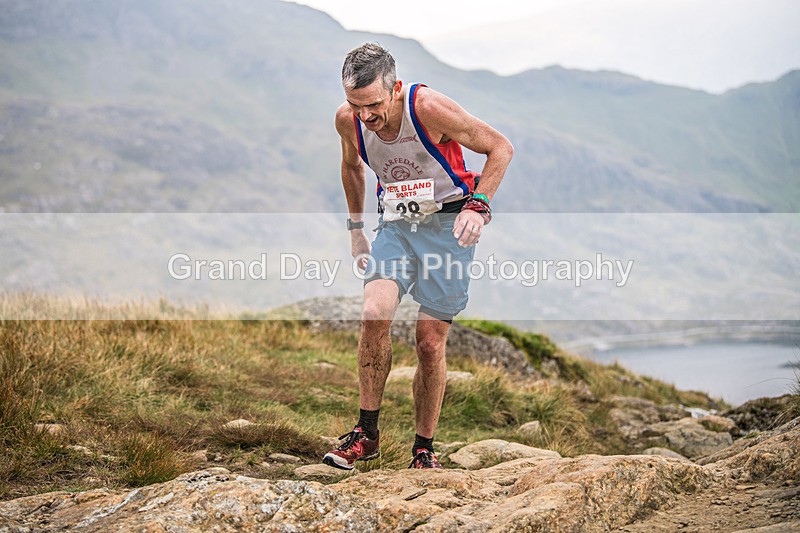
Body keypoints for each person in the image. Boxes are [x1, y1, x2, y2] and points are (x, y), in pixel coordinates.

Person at [323, 43, 513, 470]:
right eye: (356, 105)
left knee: (429, 344)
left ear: (395, 90)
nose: (365, 117)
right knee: (374, 313)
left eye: (372, 105)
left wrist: (478, 205)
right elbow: (352, 167)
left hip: (449, 227)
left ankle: (424, 448)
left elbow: (500, 147)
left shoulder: (428, 108)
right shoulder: (347, 119)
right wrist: (356, 231)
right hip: (397, 226)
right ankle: (365, 435)